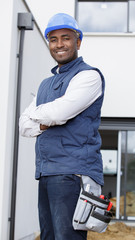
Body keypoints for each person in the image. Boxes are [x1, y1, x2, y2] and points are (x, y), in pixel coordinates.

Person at [19, 13, 105, 240]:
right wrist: (47, 120)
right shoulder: (45, 84)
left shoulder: (88, 76)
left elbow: (60, 113)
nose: (59, 44)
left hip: (72, 173)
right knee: (48, 237)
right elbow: (24, 126)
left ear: (78, 42)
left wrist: (41, 116)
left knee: (67, 237)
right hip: (46, 172)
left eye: (66, 38)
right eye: (53, 39)